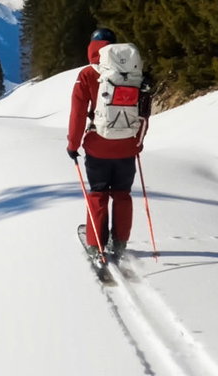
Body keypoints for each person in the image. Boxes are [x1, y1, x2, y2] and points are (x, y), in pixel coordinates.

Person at [67, 27, 143, 261]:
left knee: (98, 193)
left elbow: (78, 113)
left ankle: (96, 243)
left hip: (98, 146)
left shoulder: (87, 74)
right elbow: (144, 113)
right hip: (127, 145)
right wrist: (137, 143)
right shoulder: (134, 72)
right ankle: (120, 242)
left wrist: (73, 145)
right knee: (122, 194)